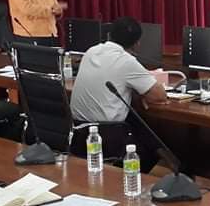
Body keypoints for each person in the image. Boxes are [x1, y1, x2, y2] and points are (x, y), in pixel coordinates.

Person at [70, 17, 168, 170]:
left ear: (109, 35)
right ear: (137, 44)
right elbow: (159, 96)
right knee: (152, 147)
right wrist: (140, 93)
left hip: (78, 133)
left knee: (141, 129)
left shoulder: (91, 51)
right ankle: (123, 179)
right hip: (106, 136)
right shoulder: (126, 61)